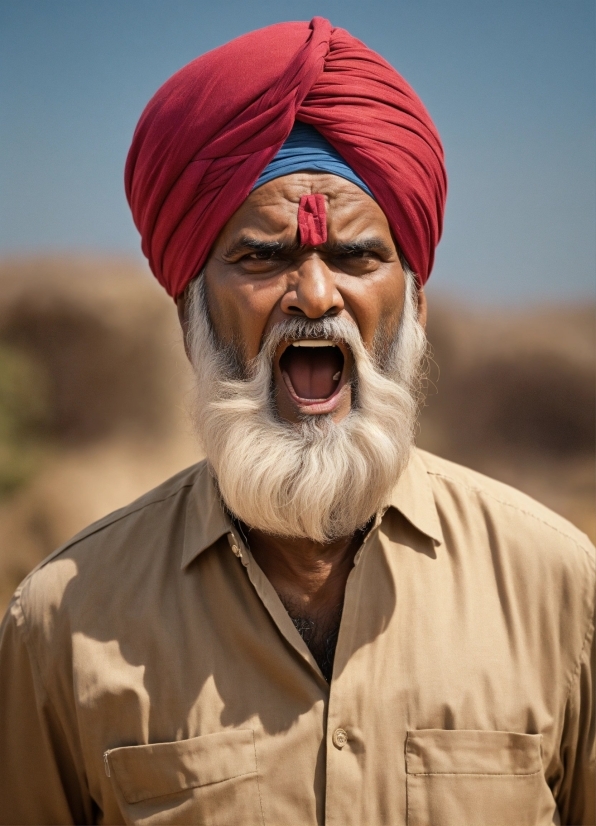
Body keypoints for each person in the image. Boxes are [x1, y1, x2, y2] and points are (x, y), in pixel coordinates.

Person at [0, 18, 593, 826]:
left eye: (356, 257)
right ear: (188, 315)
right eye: (261, 257)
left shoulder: (556, 590)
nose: (315, 295)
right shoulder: (65, 622)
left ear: (415, 304)